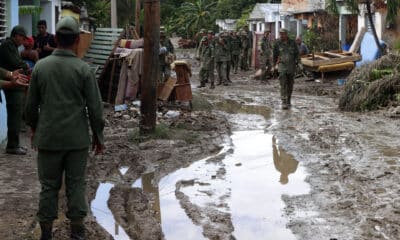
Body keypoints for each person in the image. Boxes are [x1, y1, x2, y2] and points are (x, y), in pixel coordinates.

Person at [25, 16, 105, 240]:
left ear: (56, 38)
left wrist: (34, 128)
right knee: (76, 184)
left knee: (49, 186)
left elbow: (30, 106)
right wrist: (99, 136)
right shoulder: (83, 69)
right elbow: (95, 109)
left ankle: (46, 234)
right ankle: (77, 232)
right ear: (78, 40)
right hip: (77, 140)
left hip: (48, 138)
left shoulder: (41, 67)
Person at [0, 25, 30, 155]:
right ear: (16, 35)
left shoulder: (12, 46)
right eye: (22, 38)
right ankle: (12, 145)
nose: (23, 41)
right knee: (14, 115)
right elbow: (17, 63)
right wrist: (25, 67)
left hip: (13, 83)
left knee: (17, 115)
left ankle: (15, 144)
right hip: (11, 86)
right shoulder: (8, 45)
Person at [273, 28, 299, 109]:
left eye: (283, 34)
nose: (281, 35)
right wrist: (274, 65)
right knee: (283, 84)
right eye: (280, 34)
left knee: (290, 84)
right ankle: (284, 101)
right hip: (282, 66)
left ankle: (289, 100)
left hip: (291, 66)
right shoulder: (277, 43)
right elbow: (274, 55)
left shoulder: (292, 43)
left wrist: (299, 63)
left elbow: (297, 54)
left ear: (286, 34)